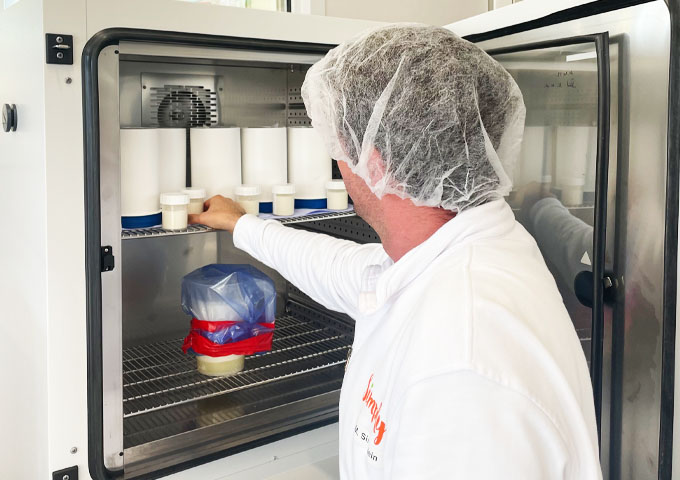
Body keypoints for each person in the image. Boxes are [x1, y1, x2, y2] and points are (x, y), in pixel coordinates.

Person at [191, 24, 601, 480]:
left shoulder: (461, 371)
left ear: (376, 163)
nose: (337, 162)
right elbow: (346, 269)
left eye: (337, 144)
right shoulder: (449, 252)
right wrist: (242, 224)